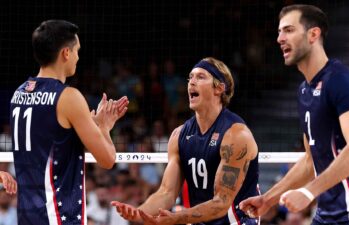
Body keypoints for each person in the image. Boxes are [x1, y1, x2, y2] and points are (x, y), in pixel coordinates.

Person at [239, 4, 349, 225]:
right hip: (326, 216)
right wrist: (268, 199)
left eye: (289, 30)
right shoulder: (304, 90)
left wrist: (309, 192)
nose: (280, 38)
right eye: (279, 31)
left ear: (313, 34)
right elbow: (310, 160)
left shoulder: (341, 81)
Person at [112, 57, 260, 225]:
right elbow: (166, 193)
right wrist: (139, 213)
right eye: (190, 77)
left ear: (219, 88)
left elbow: (221, 203)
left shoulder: (236, 135)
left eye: (201, 77)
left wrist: (176, 218)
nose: (191, 82)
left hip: (236, 222)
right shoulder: (179, 135)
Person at [10, 20, 129, 224]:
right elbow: (108, 159)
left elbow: (50, 138)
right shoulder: (68, 97)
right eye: (77, 51)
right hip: (57, 216)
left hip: (26, 215)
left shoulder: (19, 93)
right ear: (66, 53)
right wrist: (104, 126)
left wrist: (83, 127)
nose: (78, 57)